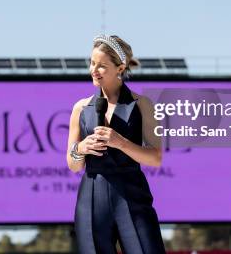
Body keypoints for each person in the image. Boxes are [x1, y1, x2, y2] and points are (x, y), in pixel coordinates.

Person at [67, 34, 166, 254]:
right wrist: (81, 149)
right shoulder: (80, 108)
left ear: (120, 68)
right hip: (91, 196)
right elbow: (73, 165)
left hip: (131, 192)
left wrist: (120, 142)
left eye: (102, 66)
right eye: (92, 63)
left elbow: (156, 158)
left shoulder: (143, 105)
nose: (94, 70)